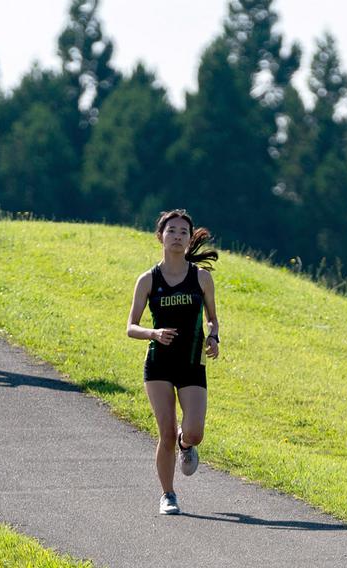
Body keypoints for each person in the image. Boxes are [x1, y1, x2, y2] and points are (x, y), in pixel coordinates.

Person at [126, 209, 220, 515]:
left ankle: (185, 445)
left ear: (189, 239)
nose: (177, 237)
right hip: (159, 365)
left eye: (183, 232)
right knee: (165, 431)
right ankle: (168, 494)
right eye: (172, 231)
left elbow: (212, 320)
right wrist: (154, 333)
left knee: (194, 432)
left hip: (192, 362)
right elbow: (131, 326)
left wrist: (213, 338)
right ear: (160, 236)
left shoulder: (201, 278)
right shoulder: (148, 279)